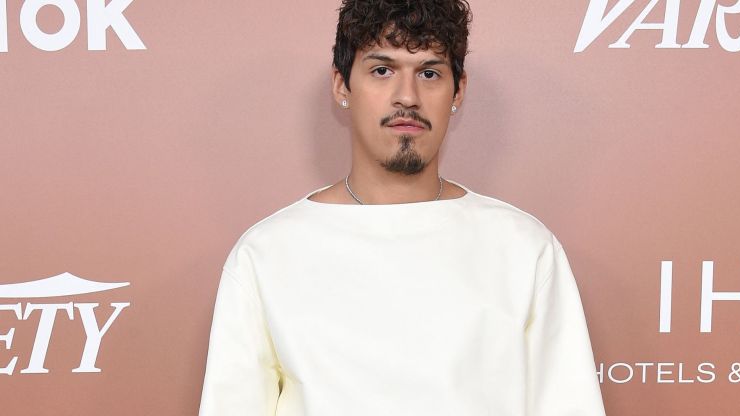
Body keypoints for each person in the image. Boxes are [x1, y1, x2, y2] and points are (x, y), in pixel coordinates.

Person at [198, 0, 606, 415]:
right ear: (341, 85)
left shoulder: (525, 248)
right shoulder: (266, 254)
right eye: (382, 70)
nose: (407, 97)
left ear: (458, 91)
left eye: (429, 73)